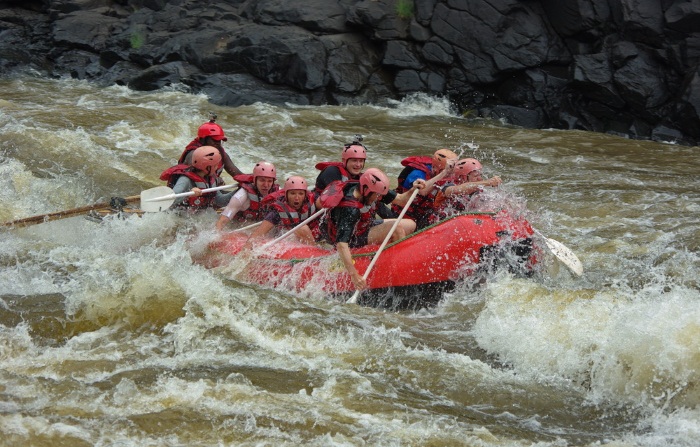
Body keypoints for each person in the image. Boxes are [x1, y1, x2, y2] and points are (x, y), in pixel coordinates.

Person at [317, 168, 426, 290]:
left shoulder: (372, 190)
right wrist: (354, 275)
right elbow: (341, 244)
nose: (379, 198)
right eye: (377, 195)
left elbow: (401, 200)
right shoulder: (350, 209)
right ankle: (401, 268)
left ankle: (389, 254)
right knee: (396, 229)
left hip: (363, 226)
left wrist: (413, 189)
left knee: (410, 224)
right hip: (353, 237)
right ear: (366, 190)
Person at [243, 176, 320, 248]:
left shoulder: (313, 200)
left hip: (312, 232)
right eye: (292, 193)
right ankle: (314, 250)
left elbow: (326, 203)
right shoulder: (276, 211)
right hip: (283, 235)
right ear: (286, 194)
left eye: (301, 194)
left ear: (305, 195)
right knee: (303, 228)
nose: (297, 198)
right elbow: (259, 233)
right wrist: (246, 249)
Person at [393, 148, 458, 229]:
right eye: (448, 170)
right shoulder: (418, 173)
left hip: (425, 215)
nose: (450, 174)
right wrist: (444, 173)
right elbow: (422, 191)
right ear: (437, 167)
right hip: (404, 215)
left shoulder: (446, 175)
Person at [159, 146, 233, 211]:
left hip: (198, 216)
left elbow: (220, 201)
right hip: (180, 215)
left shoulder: (211, 180)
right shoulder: (186, 179)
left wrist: (237, 191)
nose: (217, 168)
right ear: (207, 167)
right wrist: (188, 194)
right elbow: (172, 199)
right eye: (215, 165)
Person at [430, 158, 502, 221]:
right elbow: (460, 189)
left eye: (480, 175)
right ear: (462, 178)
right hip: (438, 225)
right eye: (476, 176)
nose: (480, 179)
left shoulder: (477, 191)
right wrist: (488, 182)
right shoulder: (447, 187)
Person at [215, 161, 279, 230]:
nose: (266, 185)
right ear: (255, 180)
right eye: (262, 180)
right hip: (237, 227)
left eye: (269, 181)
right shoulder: (241, 196)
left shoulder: (279, 194)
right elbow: (222, 221)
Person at [179, 115, 243, 179]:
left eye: (219, 140)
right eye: (214, 140)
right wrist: (217, 180)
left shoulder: (221, 153)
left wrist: (251, 178)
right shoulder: (193, 154)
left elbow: (237, 174)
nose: (218, 143)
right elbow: (194, 176)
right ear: (203, 140)